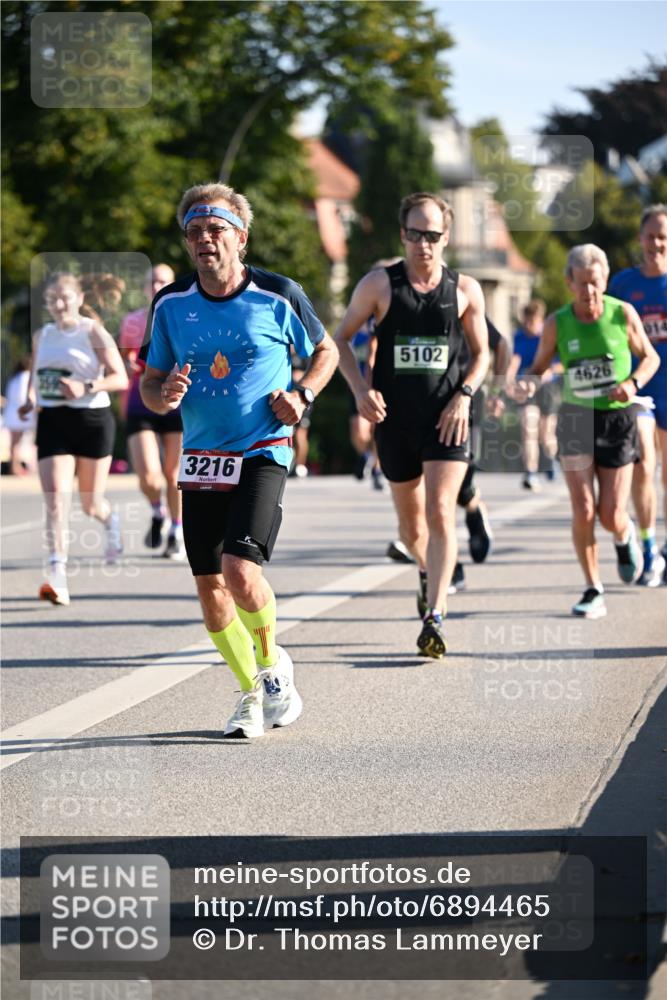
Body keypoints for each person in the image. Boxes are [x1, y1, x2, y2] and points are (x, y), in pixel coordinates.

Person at [140, 182, 338, 738]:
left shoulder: (278, 295)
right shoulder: (171, 305)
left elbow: (326, 351)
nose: (205, 239)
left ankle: (274, 665)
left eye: (216, 229)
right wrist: (165, 395)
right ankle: (251, 692)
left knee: (239, 569)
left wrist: (302, 395)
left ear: (240, 238)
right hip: (201, 457)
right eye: (195, 231)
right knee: (210, 590)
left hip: (262, 449)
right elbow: (151, 383)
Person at [335, 192, 489, 658]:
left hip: (446, 420)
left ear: (446, 238)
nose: (424, 244)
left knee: (442, 511)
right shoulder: (379, 285)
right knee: (410, 529)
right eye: (415, 234)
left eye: (433, 235)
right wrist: (362, 390)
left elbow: (481, 355)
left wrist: (463, 396)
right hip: (394, 423)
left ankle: (435, 615)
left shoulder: (465, 290)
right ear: (403, 235)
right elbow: (339, 340)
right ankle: (426, 570)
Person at [519, 244, 658, 619]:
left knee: (610, 513)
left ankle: (625, 534)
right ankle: (593, 588)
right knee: (583, 508)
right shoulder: (557, 323)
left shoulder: (621, 314)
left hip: (617, 419)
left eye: (595, 283)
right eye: (581, 284)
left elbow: (651, 357)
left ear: (605, 281)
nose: (589, 292)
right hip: (576, 419)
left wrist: (632, 384)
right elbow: (538, 367)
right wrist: (525, 385)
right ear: (569, 284)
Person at [18, 273, 129, 606]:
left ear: (79, 298)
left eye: (64, 296)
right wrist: (30, 398)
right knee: (55, 500)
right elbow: (37, 374)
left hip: (92, 420)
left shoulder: (93, 332)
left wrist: (86, 387)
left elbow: (119, 377)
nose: (58, 304)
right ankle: (57, 575)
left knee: (90, 503)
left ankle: (111, 521)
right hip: (54, 420)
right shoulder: (43, 335)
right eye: (52, 298)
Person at [608, 203, 667, 586]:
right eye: (651, 236)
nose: (657, 243)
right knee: (644, 465)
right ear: (639, 239)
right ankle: (647, 546)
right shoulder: (623, 285)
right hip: (640, 390)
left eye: (663, 237)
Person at [119, 263, 185, 559]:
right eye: (153, 281)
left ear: (171, 285)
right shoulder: (132, 322)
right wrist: (128, 366)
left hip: (176, 403)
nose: (157, 285)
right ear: (146, 287)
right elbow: (123, 360)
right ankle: (157, 511)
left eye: (163, 281)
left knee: (173, 476)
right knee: (149, 476)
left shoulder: (184, 318)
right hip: (141, 401)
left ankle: (176, 530)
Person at [506, 299, 561, 491]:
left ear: (540, 320)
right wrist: (509, 380)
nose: (529, 326)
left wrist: (548, 371)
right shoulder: (519, 337)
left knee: (546, 436)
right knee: (529, 429)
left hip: (547, 389)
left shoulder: (549, 335)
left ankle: (551, 458)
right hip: (527, 386)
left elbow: (561, 363)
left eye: (533, 322)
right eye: (526, 322)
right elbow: (515, 359)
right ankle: (531, 472)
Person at [3, 357, 37, 475]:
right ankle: (17, 468)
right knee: (18, 444)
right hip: (21, 415)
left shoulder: (14, 378)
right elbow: (23, 397)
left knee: (14, 444)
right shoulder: (26, 377)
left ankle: (15, 467)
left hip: (12, 415)